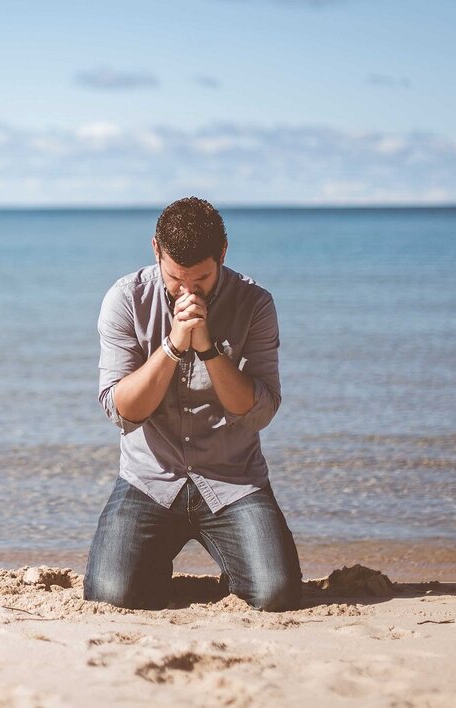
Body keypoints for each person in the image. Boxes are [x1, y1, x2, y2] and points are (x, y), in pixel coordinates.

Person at [83, 196, 303, 612]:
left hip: (233, 480)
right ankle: (150, 568)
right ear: (155, 251)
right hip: (149, 480)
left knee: (277, 595)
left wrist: (206, 349)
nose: (187, 292)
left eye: (200, 279)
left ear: (222, 254)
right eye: (175, 278)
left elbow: (258, 412)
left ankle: (233, 565)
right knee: (109, 598)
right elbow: (121, 411)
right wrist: (171, 346)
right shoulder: (126, 298)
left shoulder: (255, 303)